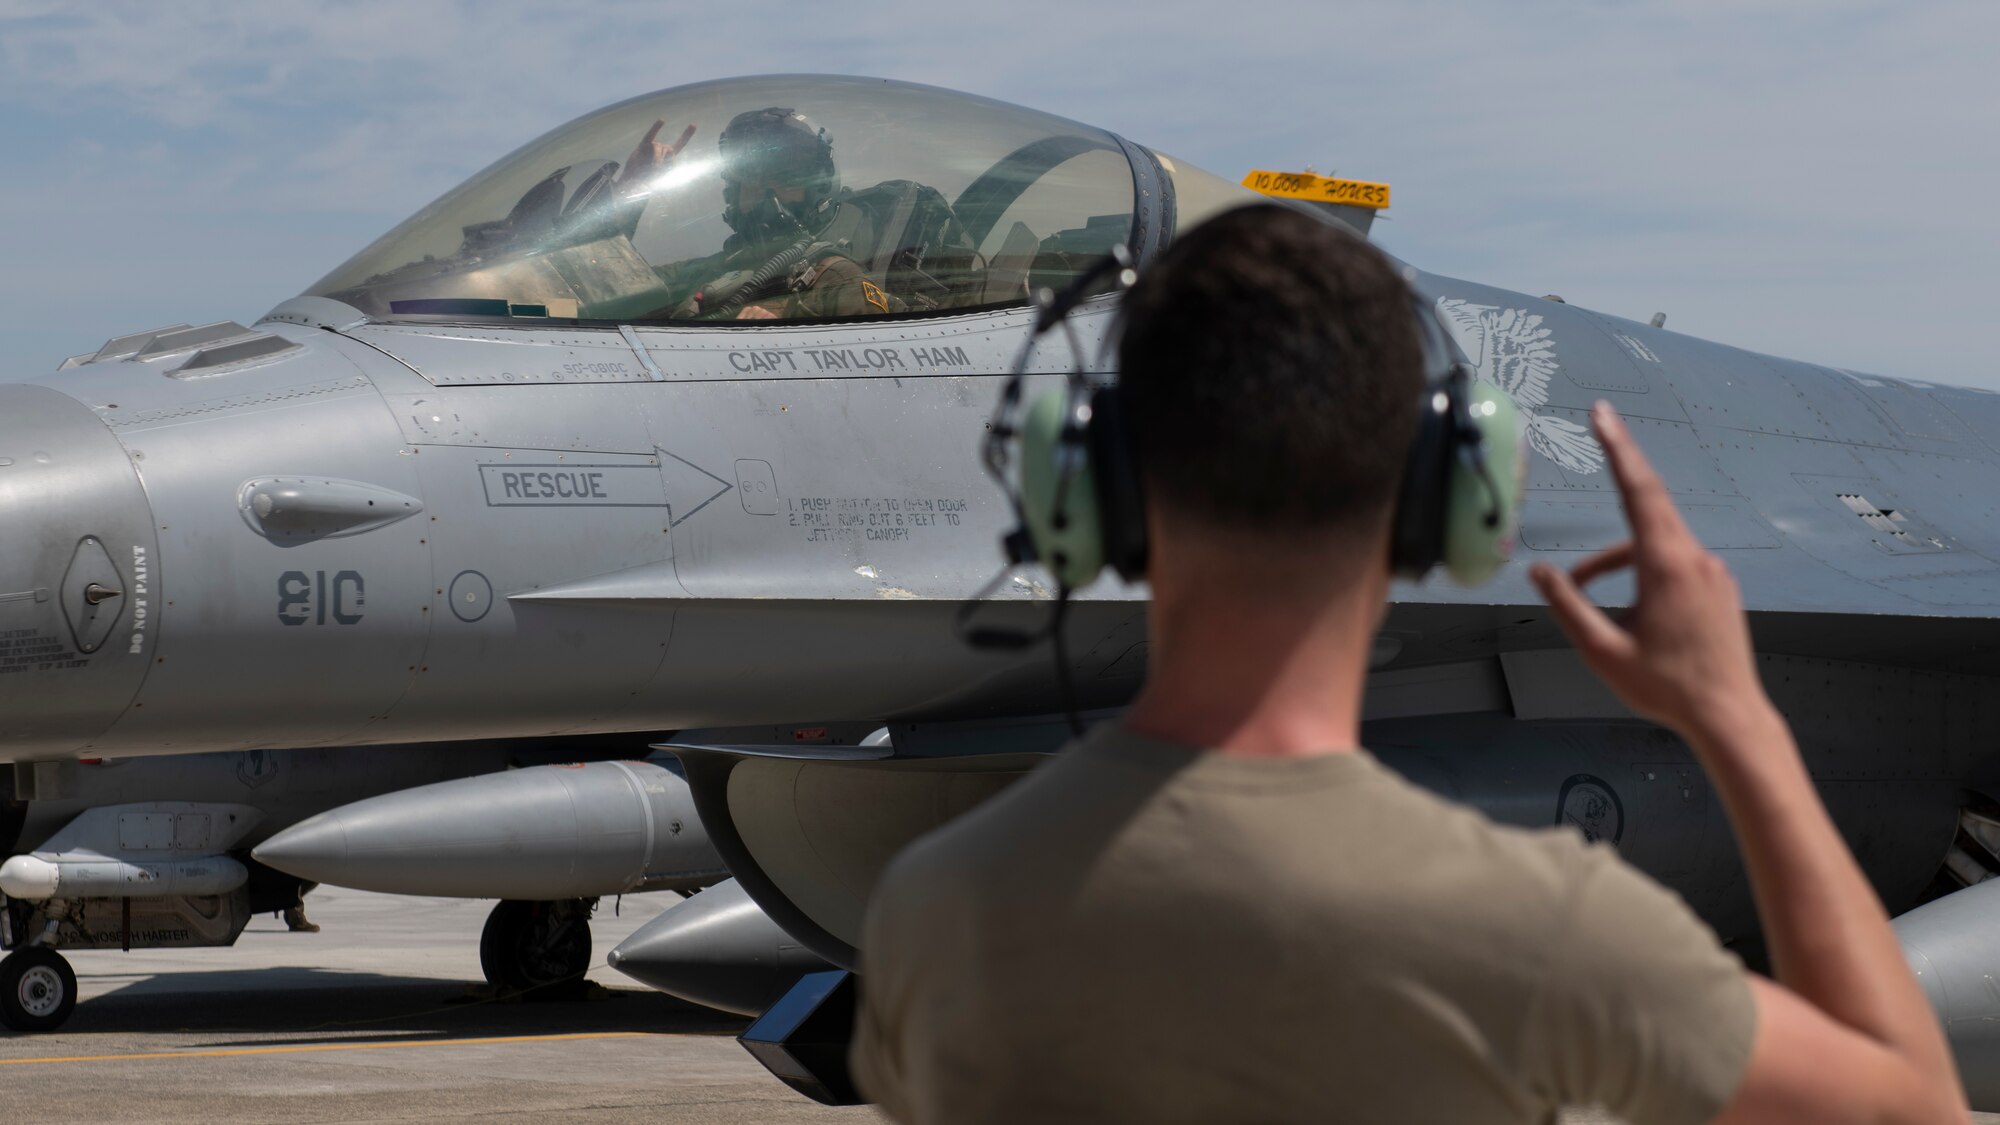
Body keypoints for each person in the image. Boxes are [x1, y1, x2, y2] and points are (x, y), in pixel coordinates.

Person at [850, 204, 1969, 1123]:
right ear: (1453, 499)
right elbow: (1902, 1101)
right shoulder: (1542, 925)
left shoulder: (933, 911)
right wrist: (1736, 724)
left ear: (1077, 492)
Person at [614, 107, 897, 321]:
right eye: (753, 178)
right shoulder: (700, 273)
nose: (766, 192)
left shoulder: (834, 276)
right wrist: (631, 187)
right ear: (734, 189)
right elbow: (601, 285)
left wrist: (785, 348)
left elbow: (877, 367)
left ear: (815, 189)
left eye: (785, 179)